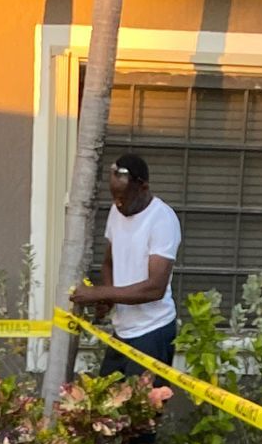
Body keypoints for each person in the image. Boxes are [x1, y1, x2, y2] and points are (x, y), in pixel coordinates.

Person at [69, 152, 181, 375]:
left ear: (143, 188)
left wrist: (100, 292)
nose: (118, 204)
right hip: (122, 331)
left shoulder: (162, 220)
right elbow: (110, 262)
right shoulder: (116, 211)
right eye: (114, 197)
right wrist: (108, 299)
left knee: (144, 408)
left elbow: (155, 288)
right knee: (105, 404)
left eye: (123, 197)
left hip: (152, 331)